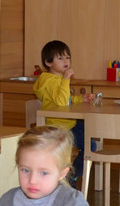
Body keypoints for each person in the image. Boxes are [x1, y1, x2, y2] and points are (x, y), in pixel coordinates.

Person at [33, 40, 92, 182]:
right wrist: (66, 79)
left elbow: (66, 99)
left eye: (68, 57)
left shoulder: (57, 78)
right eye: (60, 58)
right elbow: (61, 102)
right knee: (91, 145)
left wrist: (80, 99)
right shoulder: (49, 80)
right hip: (58, 126)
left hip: (67, 122)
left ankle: (70, 175)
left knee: (92, 133)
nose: (66, 61)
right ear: (48, 62)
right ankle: (70, 176)